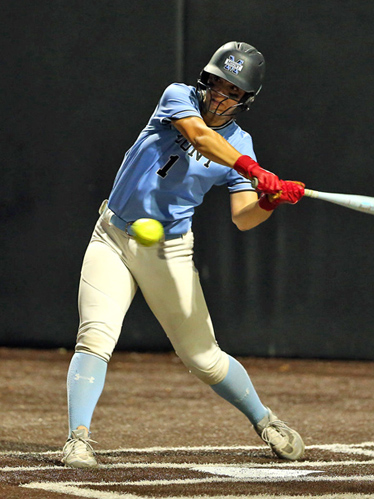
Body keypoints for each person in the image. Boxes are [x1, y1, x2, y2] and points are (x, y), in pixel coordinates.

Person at [61, 41, 305, 468]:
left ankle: (266, 421)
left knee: (204, 359)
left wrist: (269, 201)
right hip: (113, 235)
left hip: (168, 252)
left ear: (246, 100)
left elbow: (243, 218)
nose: (219, 95)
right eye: (216, 83)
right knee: (95, 336)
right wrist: (252, 170)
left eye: (232, 91)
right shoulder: (179, 97)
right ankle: (77, 439)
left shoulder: (241, 144)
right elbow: (200, 137)